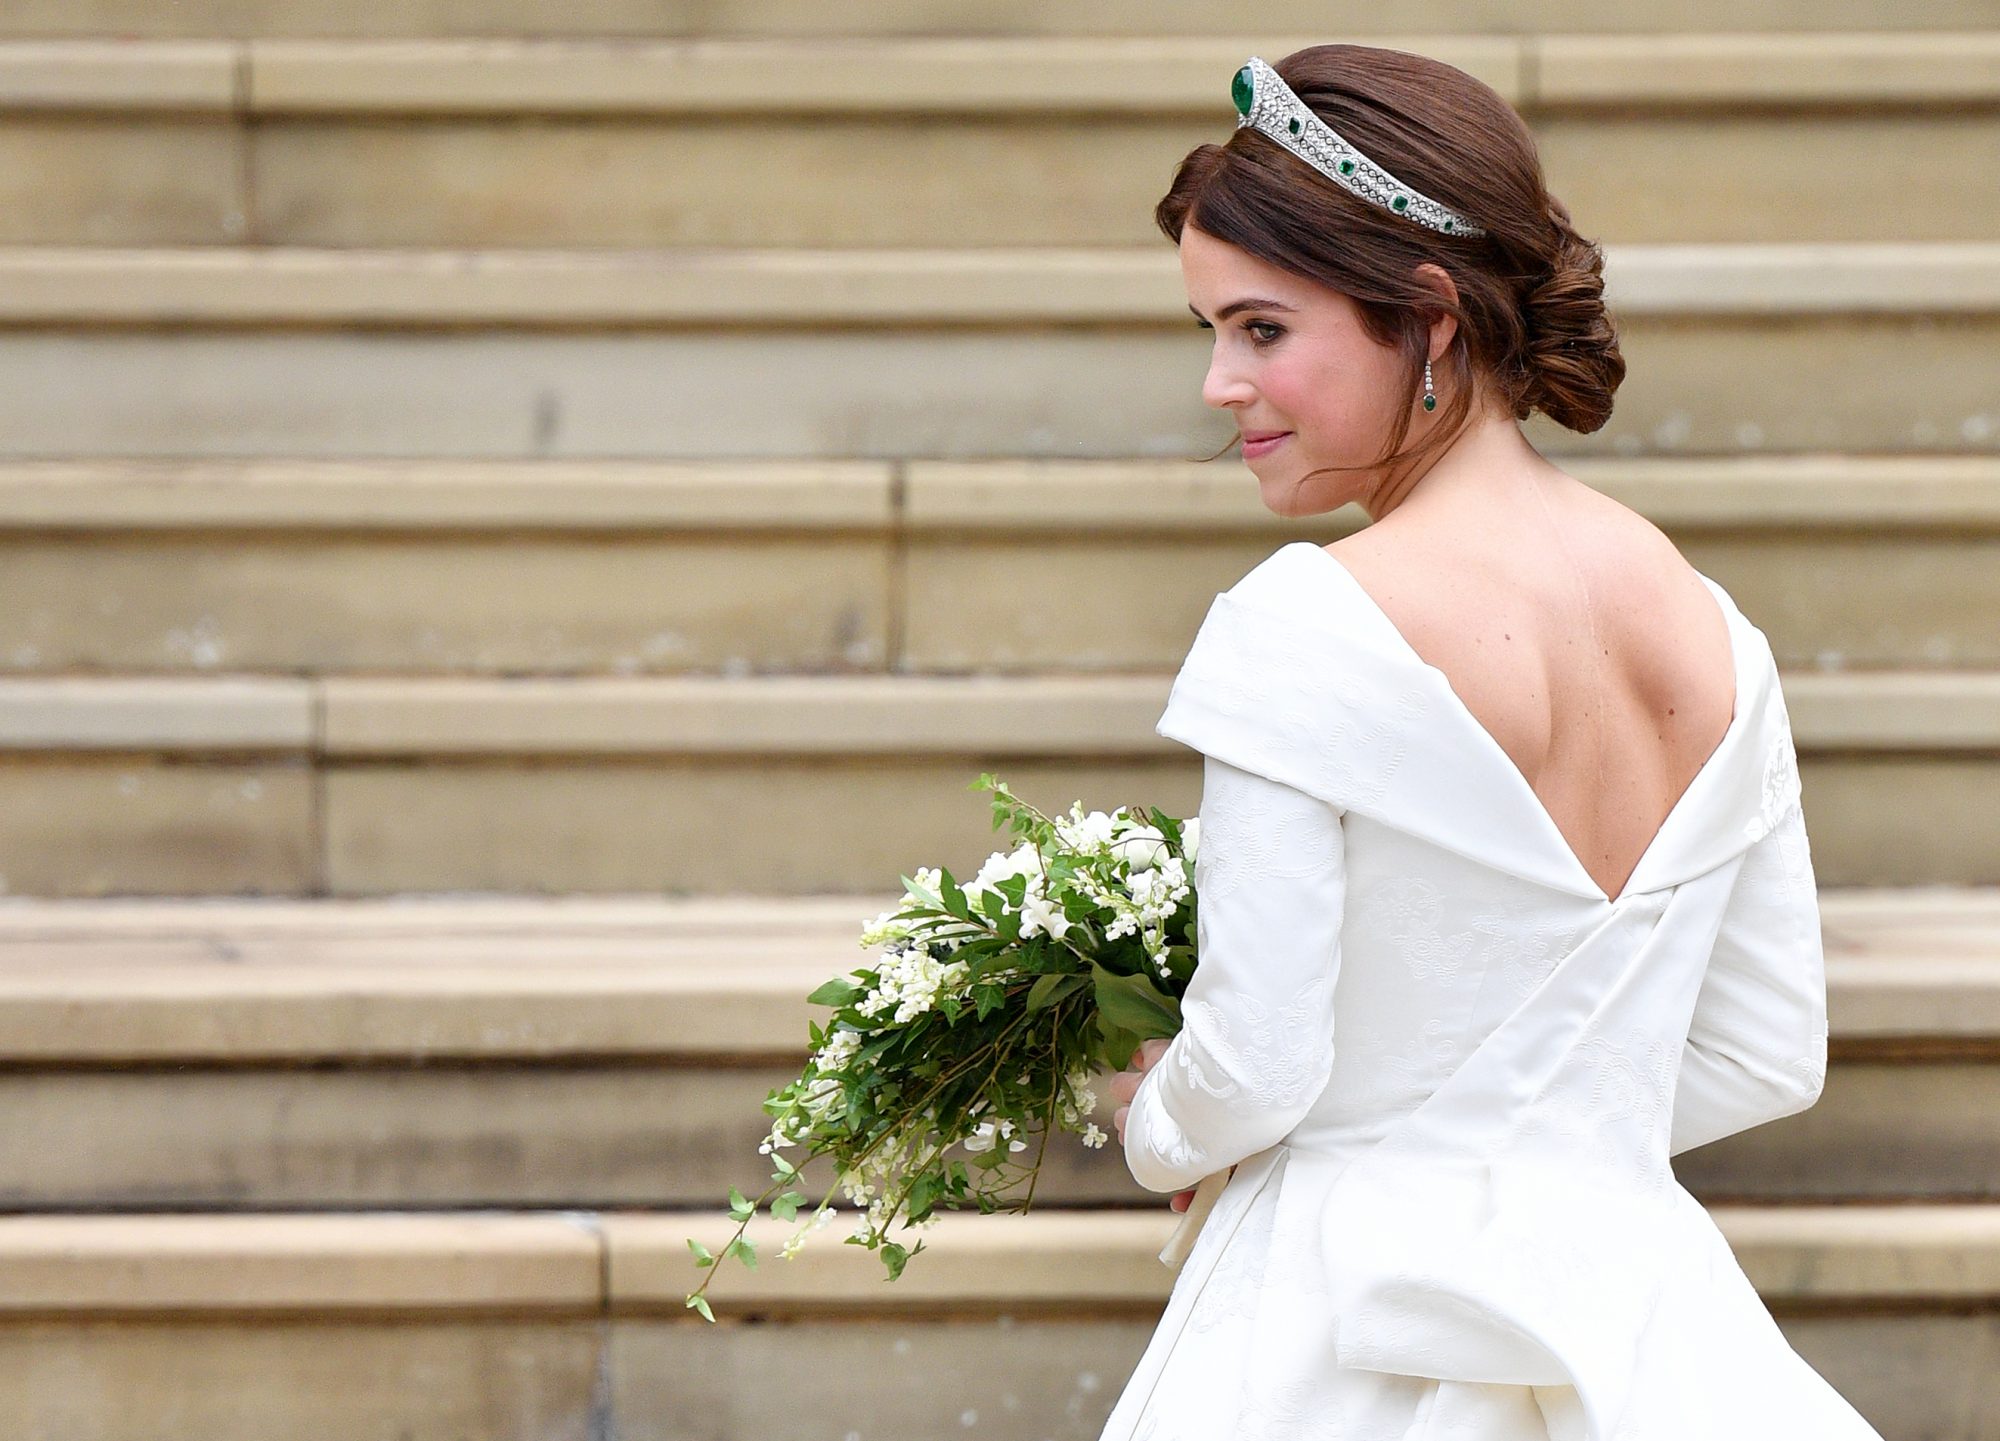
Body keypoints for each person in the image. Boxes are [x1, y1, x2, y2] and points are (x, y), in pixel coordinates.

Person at [1097, 45, 1886, 1441]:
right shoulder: (1717, 634)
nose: (1221, 383)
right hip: (1640, 1320)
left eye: (1263, 329)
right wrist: (1546, 1147)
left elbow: (1260, 1062)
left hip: (1340, 1323)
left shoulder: (1306, 623)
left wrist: (1154, 1124)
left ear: (1434, 320)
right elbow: (1772, 1048)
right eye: (1210, 332)